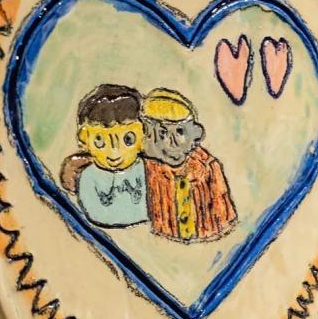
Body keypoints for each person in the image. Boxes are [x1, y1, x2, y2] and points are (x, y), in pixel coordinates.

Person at [140, 88, 236, 241]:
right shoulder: (146, 168)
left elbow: (224, 217)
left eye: (180, 132)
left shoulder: (208, 166)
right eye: (162, 133)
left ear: (195, 133)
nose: (171, 142)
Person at [72, 84, 148, 228]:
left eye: (128, 139)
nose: (114, 152)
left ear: (144, 135)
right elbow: (95, 213)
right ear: (84, 139)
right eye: (100, 141)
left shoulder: (147, 170)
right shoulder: (89, 176)